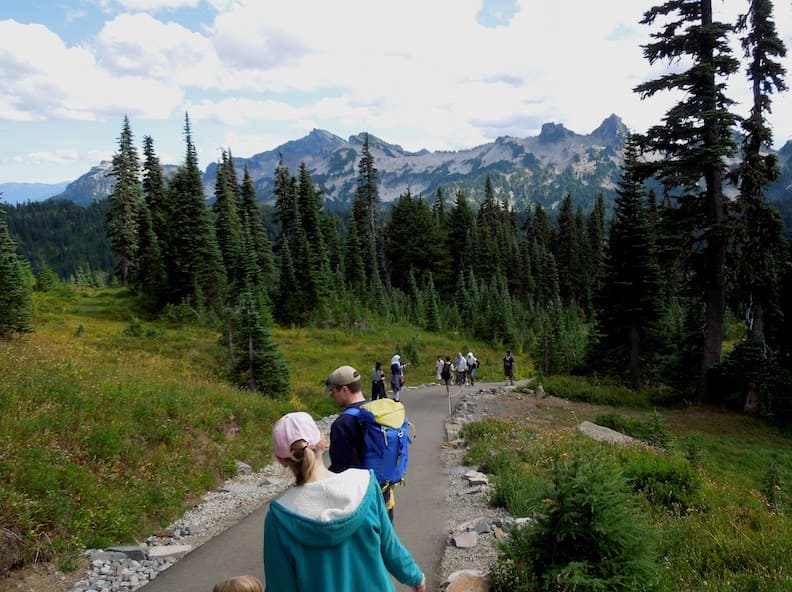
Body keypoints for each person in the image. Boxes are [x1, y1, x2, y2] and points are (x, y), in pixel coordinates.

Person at [264, 411, 426, 592]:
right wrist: (415, 577)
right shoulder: (365, 484)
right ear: (323, 442)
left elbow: (280, 585)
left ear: (281, 460)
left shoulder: (279, 517)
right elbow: (389, 546)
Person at [324, 365, 395, 518]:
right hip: (385, 496)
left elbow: (339, 469)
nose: (332, 396)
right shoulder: (378, 411)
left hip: (362, 504)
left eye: (333, 391)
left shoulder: (342, 424)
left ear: (344, 390)